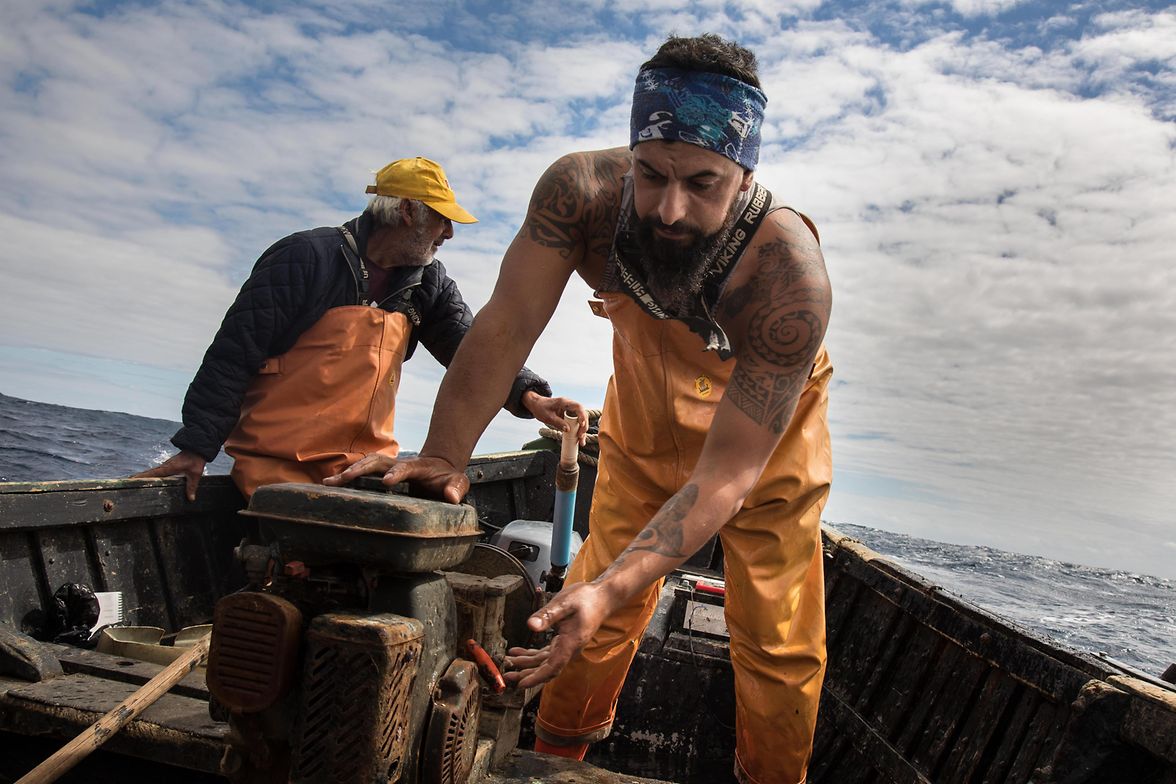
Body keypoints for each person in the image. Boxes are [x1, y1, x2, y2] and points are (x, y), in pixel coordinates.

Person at [326, 35, 832, 784]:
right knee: (590, 611)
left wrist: (616, 581)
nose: (669, 206)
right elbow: (503, 326)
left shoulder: (789, 278)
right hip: (640, 420)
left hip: (763, 447)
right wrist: (444, 453)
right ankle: (555, 757)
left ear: (745, 172)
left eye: (703, 183)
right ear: (631, 151)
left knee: (778, 646)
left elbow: (726, 478)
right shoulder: (578, 195)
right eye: (652, 174)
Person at [135, 157, 581, 500]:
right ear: (406, 210)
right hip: (276, 475)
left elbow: (475, 349)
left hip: (364, 473)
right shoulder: (305, 257)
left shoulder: (429, 283)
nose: (448, 233)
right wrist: (196, 449)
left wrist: (531, 397)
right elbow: (235, 354)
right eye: (441, 219)